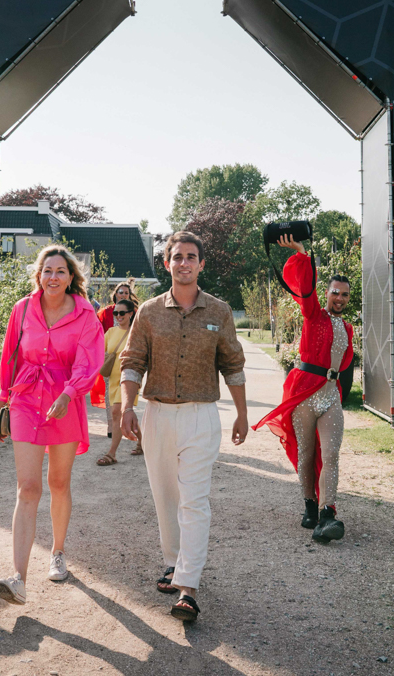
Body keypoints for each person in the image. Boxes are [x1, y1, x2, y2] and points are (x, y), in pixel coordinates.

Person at [120, 231, 247, 623]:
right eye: (177, 256)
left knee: (194, 500)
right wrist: (127, 406)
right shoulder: (149, 312)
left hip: (200, 416)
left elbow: (233, 364)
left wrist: (242, 414)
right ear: (167, 263)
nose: (184, 263)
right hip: (157, 415)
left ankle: (188, 589)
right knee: (166, 498)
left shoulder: (219, 311)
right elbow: (132, 361)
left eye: (191, 256)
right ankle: (174, 562)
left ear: (201, 264)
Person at [0, 245, 104, 606]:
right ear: (38, 275)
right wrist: (3, 401)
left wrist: (69, 394)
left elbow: (89, 362)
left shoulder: (85, 314)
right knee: (27, 487)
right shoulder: (23, 308)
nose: (53, 277)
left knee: (58, 482)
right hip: (26, 398)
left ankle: (57, 551)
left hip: (64, 401)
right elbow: (9, 356)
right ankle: (18, 578)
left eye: (60, 271)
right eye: (47, 270)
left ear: (71, 277)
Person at [253, 236, 354, 543]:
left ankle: (327, 514)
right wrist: (302, 255)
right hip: (305, 395)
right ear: (326, 293)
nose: (339, 298)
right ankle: (310, 507)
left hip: (330, 396)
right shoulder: (313, 315)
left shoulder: (348, 328)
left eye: (345, 294)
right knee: (306, 454)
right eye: (335, 292)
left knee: (332, 453)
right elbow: (306, 290)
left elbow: (344, 364)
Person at [96, 296, 138, 466]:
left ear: (130, 313)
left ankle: (111, 453)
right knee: (123, 413)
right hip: (113, 380)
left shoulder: (137, 333)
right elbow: (99, 351)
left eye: (122, 313)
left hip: (129, 380)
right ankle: (142, 442)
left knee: (116, 412)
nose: (118, 316)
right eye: (116, 313)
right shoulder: (111, 332)